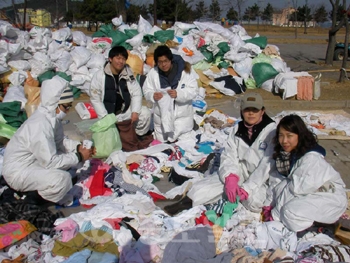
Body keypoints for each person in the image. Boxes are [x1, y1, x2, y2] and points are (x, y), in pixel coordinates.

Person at [2, 76, 92, 204]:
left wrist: (78, 148)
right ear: (55, 103)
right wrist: (79, 156)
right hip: (18, 172)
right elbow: (51, 162)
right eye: (66, 107)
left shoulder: (53, 119)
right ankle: (34, 199)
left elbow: (60, 142)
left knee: (73, 165)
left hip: (35, 162)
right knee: (62, 180)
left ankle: (39, 189)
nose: (67, 111)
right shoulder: (40, 125)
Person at [268, 114, 347, 232]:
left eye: (289, 136)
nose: (284, 141)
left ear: (299, 136)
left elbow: (295, 188)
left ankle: (319, 228)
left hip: (330, 197)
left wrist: (273, 216)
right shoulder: (293, 154)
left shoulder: (311, 159)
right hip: (310, 192)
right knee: (279, 193)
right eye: (281, 136)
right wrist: (269, 205)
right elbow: (285, 185)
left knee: (289, 212)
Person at [218, 92, 277, 212]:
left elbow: (267, 164)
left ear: (262, 111)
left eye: (255, 110)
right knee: (203, 191)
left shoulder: (271, 131)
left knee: (256, 203)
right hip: (240, 172)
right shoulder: (236, 129)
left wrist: (248, 188)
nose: (251, 113)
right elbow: (229, 155)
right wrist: (230, 177)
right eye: (247, 109)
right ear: (241, 110)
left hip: (261, 180)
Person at [90, 46, 152, 151]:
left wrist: (135, 111)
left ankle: (136, 136)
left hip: (125, 112)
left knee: (145, 113)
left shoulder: (128, 74)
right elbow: (95, 98)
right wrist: (105, 117)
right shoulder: (100, 75)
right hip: (108, 114)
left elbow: (136, 93)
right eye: (118, 58)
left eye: (123, 59)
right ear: (110, 59)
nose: (121, 61)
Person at [142, 45, 198, 143]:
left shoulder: (185, 71)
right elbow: (146, 90)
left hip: (181, 118)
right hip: (161, 119)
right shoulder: (153, 74)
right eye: (160, 62)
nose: (163, 65)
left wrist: (178, 94)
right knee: (162, 145)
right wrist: (152, 95)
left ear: (170, 60)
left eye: (165, 61)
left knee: (183, 145)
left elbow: (193, 90)